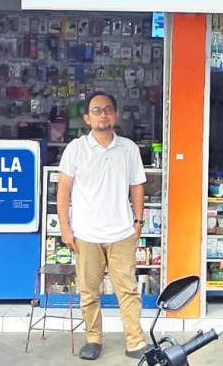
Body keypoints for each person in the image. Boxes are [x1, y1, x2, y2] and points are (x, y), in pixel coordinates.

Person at [57, 91, 149, 361]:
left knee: (128, 290)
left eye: (108, 109)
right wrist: (65, 229)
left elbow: (137, 186)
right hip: (86, 233)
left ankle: (135, 341)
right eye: (96, 110)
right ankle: (93, 339)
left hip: (122, 232)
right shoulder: (75, 149)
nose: (102, 115)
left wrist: (138, 221)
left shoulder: (129, 148)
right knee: (88, 292)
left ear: (116, 115)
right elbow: (63, 190)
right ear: (87, 118)